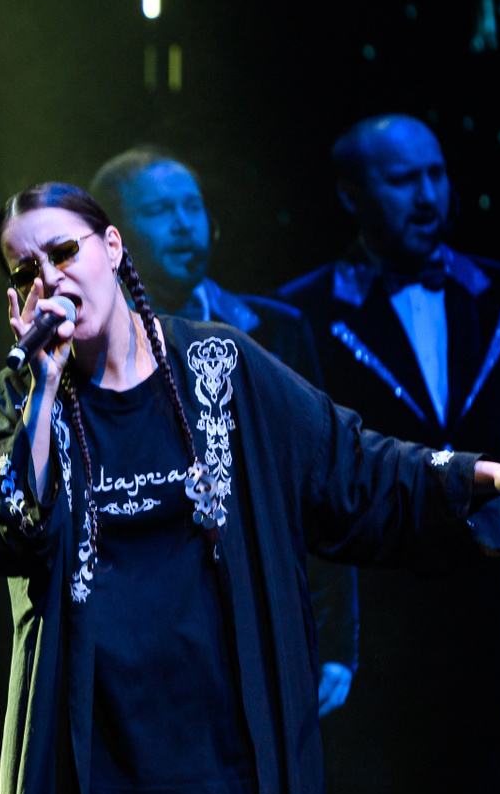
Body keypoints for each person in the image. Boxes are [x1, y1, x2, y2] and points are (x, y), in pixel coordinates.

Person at [0, 181, 500, 794]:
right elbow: (1, 533)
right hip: (94, 770)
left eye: (63, 251)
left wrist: (480, 475)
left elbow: (349, 464)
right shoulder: (22, 397)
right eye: (25, 270)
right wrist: (41, 387)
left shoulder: (221, 366)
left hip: (222, 760)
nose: (49, 279)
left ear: (111, 247)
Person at [278, 113, 500, 794]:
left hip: (498, 626)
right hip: (382, 630)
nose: (430, 195)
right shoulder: (305, 312)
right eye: (404, 179)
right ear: (351, 193)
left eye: (437, 173)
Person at [90, 146, 358, 718]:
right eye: (160, 210)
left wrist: (337, 640)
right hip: (147, 638)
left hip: (263, 620)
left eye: (192, 206)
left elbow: (321, 475)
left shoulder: (272, 331)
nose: (184, 224)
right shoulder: (89, 347)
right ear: (113, 237)